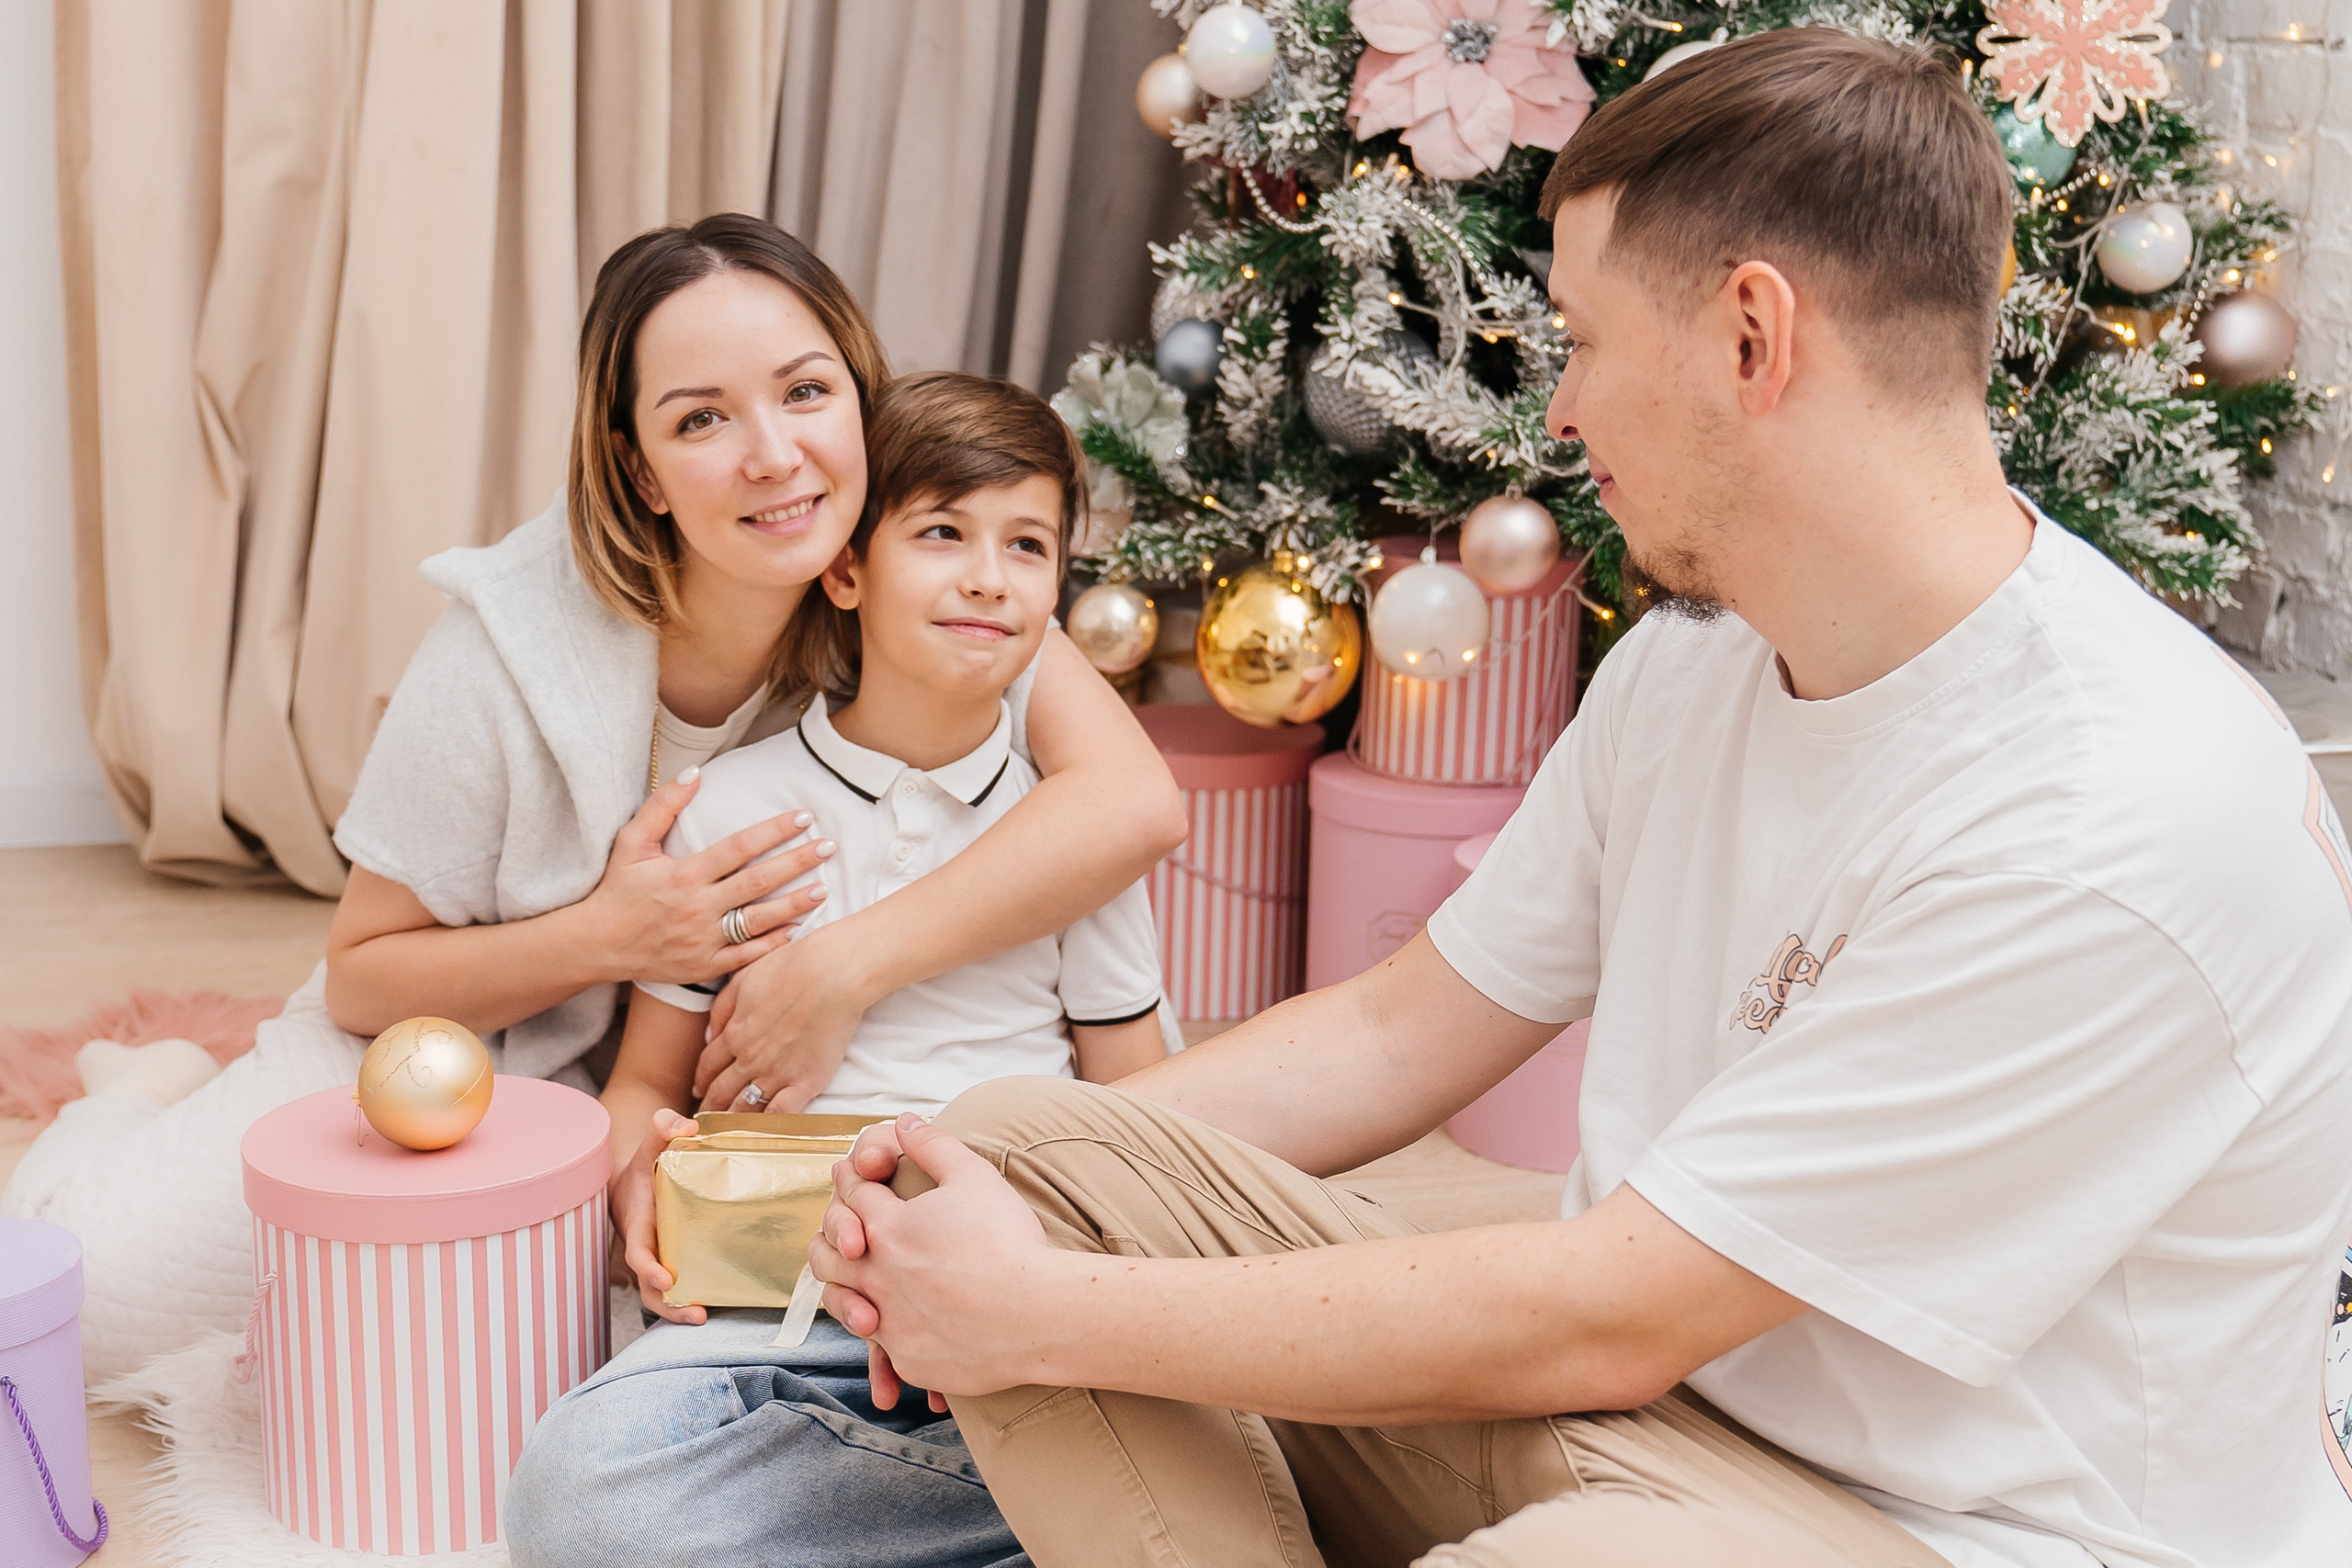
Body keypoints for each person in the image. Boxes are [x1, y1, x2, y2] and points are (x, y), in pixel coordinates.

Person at [808, 32, 2352, 1568]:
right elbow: (1398, 1030)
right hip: (1650, 1418)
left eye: (1587, 342)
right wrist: (944, 1198)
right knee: (1025, 1143)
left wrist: (1038, 1312)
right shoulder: (1699, 662)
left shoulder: (2113, 818)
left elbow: (1619, 1310)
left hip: (1969, 1533)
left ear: (1754, 338)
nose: (1556, 416)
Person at [0, 216, 1185, 1382]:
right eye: (702, 419)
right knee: (103, 1305)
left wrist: (839, 972)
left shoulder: (923, 581)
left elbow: (1132, 806)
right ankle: (130, 1095)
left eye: (807, 392)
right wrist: (613, 937)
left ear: (860, 405)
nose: (773, 455)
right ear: (640, 469)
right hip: (471, 1047)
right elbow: (367, 971)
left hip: (706, 1099)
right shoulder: (505, 649)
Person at [504, 370, 1170, 1568]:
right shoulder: (736, 810)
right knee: (575, 1493)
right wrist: (637, 1185)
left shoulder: (1072, 839)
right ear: (849, 570)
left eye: (1029, 546)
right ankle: (1037, 1522)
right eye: (943, 535)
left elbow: (1146, 1109)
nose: (988, 577)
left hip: (1016, 1298)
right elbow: (645, 1085)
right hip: (776, 1303)